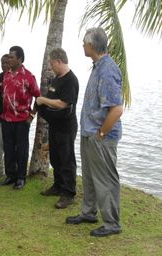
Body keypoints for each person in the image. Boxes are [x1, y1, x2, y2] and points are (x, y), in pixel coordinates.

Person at [65, 27, 124, 237]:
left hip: (101, 136)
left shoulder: (108, 70)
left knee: (106, 180)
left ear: (91, 45)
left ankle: (112, 223)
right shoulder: (98, 66)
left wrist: (100, 133)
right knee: (90, 177)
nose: (82, 45)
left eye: (84, 42)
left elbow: (116, 109)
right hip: (90, 133)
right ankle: (88, 212)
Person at [36, 48, 79, 209]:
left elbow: (63, 103)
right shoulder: (57, 78)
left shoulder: (70, 80)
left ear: (59, 61)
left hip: (66, 126)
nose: (51, 66)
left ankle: (68, 193)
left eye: (52, 63)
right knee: (55, 157)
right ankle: (58, 185)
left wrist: (43, 100)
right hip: (54, 124)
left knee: (66, 159)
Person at [0, 46, 40, 189]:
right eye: (8, 57)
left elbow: (38, 98)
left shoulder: (28, 77)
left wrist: (32, 115)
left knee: (21, 150)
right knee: (8, 148)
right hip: (7, 119)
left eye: (12, 57)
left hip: (22, 120)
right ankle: (10, 175)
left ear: (20, 59)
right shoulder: (6, 75)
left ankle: (21, 178)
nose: (9, 59)